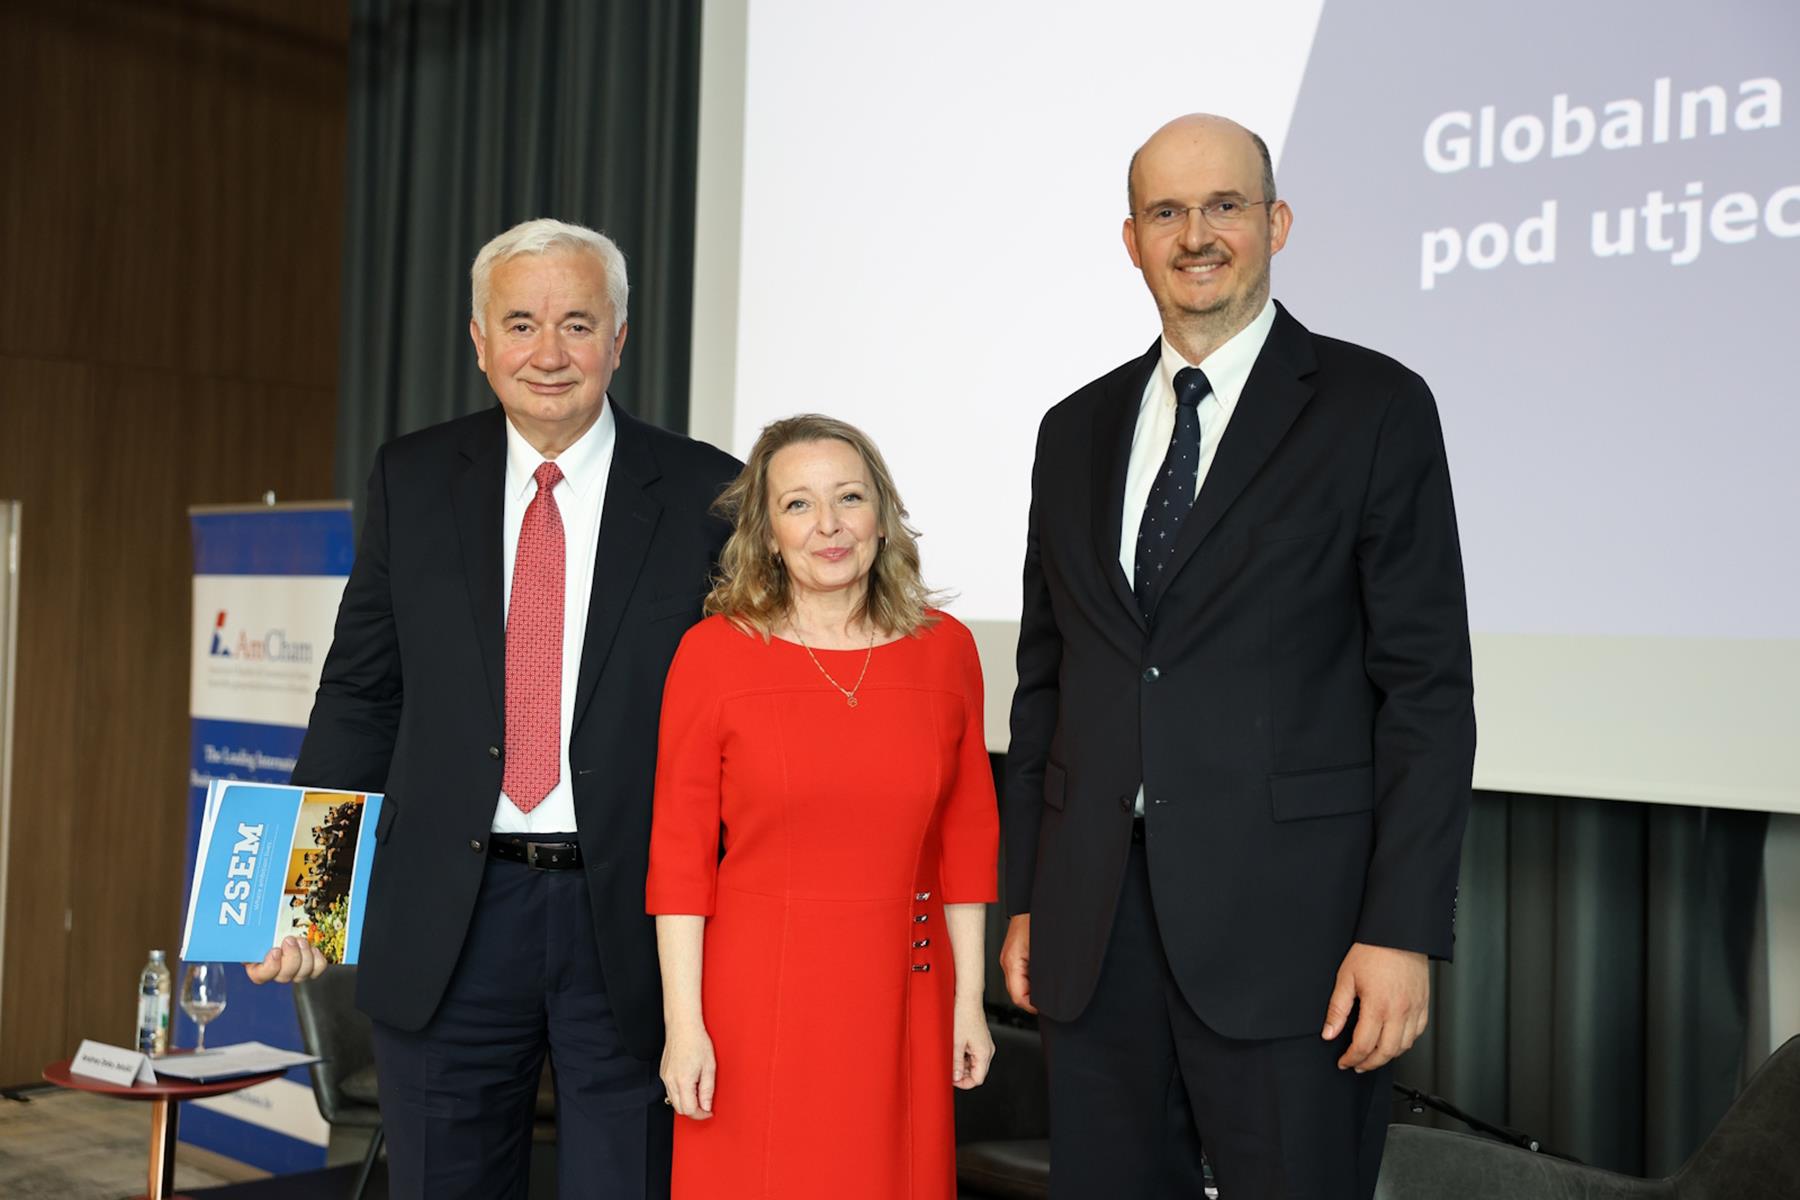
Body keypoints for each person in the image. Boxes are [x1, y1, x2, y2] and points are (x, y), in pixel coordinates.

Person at [1000, 114, 1476, 1199]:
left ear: (1278, 223)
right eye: (1167, 211)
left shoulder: (1375, 408)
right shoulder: (1072, 431)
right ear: (1132, 240)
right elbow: (1046, 685)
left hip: (1298, 940)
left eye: (1224, 205)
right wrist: (1028, 894)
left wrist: (1401, 931)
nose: (1196, 234)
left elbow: (1426, 692)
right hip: (1094, 931)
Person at [249, 217, 740, 1199]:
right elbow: (361, 693)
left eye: (576, 324)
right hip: (450, 917)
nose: (548, 353)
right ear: (479, 341)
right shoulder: (414, 477)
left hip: (634, 924)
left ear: (619, 339)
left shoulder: (706, 492)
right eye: (520, 324)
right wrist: (309, 896)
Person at [647, 414, 999, 1200]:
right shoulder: (713, 654)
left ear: (883, 515)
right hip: (751, 1003)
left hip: (903, 993)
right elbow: (679, 860)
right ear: (767, 534)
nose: (829, 525)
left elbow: (967, 841)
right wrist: (683, 1026)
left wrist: (968, 1003)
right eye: (798, 504)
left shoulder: (947, 651)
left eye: (849, 497)